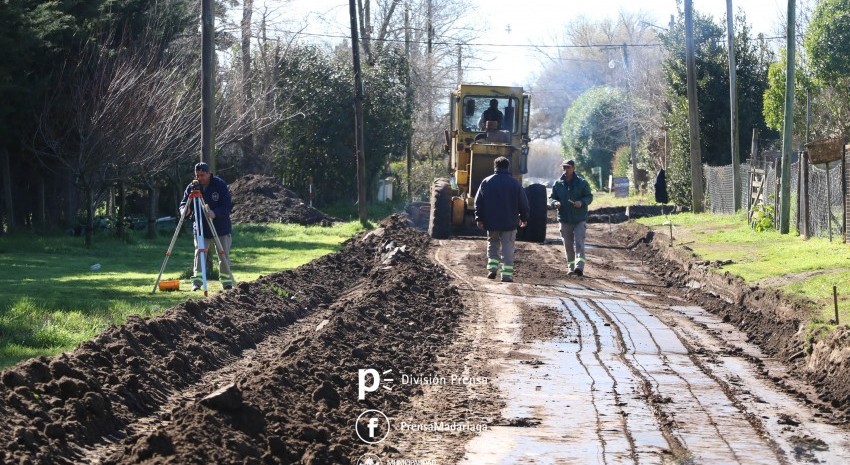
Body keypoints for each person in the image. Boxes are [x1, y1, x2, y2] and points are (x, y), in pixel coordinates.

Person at [179, 162, 234, 291]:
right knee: (199, 253)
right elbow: (183, 203)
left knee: (223, 254)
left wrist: (214, 213)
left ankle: (226, 283)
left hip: (220, 227)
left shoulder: (219, 185)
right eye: (197, 175)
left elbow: (227, 206)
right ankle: (197, 282)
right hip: (201, 227)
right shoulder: (193, 187)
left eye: (202, 175)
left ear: (209, 173)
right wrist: (184, 210)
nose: (200, 178)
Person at [474, 156, 529, 283]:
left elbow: (478, 202)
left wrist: (479, 218)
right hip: (509, 223)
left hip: (491, 222)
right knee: (508, 247)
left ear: (495, 166)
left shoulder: (486, 181)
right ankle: (506, 275)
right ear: (508, 167)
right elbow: (523, 203)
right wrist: (524, 217)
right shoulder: (515, 183)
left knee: (492, 244)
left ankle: (492, 269)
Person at [549, 159, 593, 276]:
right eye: (564, 167)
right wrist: (555, 203)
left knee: (579, 242)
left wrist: (582, 202)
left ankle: (579, 267)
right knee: (568, 245)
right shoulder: (557, 184)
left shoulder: (582, 183)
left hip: (579, 219)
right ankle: (571, 268)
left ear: (573, 168)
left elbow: (589, 196)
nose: (566, 170)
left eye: (568, 167)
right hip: (564, 219)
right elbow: (551, 198)